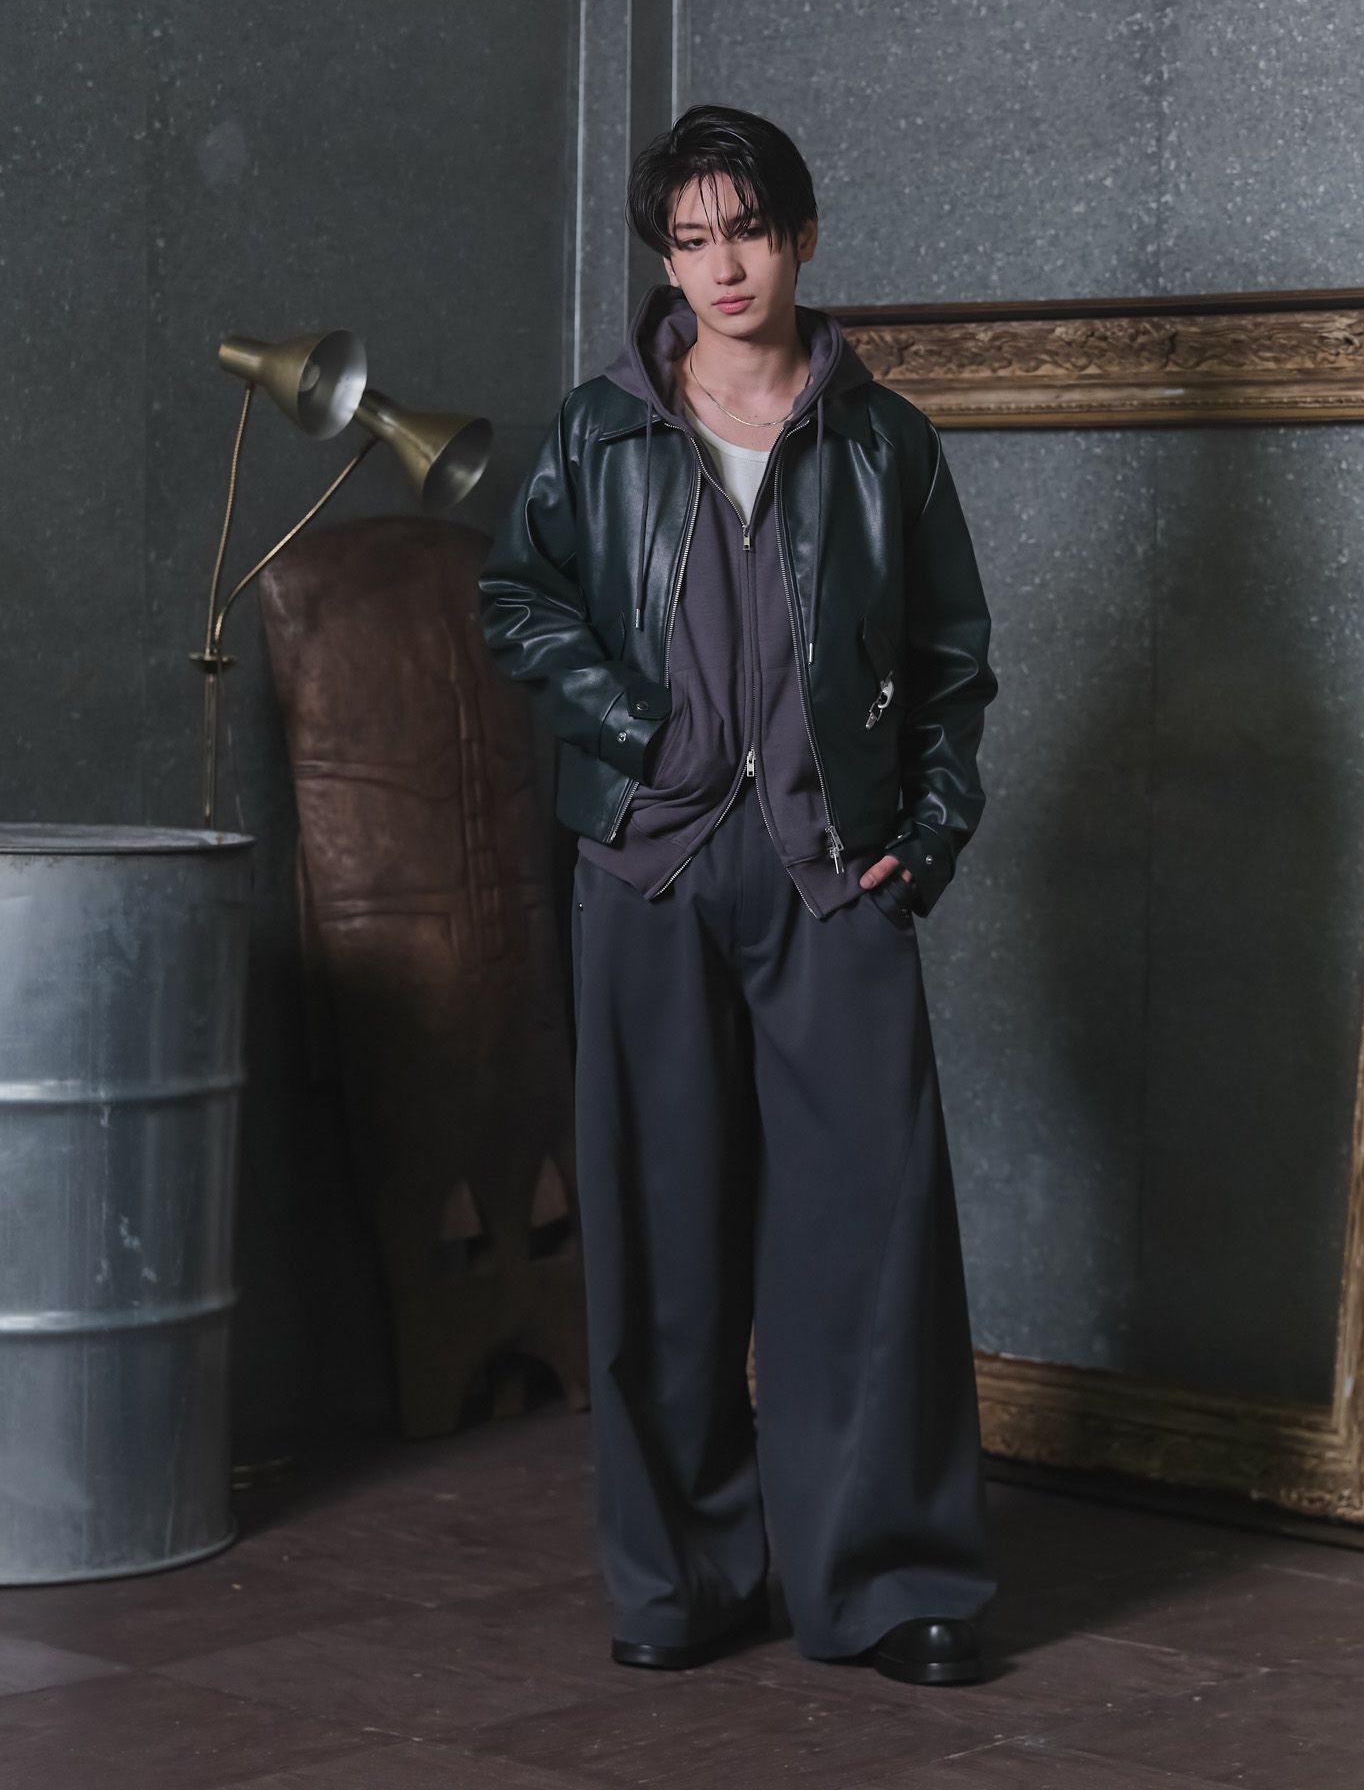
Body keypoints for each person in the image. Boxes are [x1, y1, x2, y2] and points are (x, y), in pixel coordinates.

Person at [478, 103, 999, 1687]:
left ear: (802, 239)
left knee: (870, 1237)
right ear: (666, 254)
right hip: (649, 865)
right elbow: (518, 598)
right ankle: (683, 1584)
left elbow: (955, 670)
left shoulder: (884, 443)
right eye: (690, 239)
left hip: (831, 874)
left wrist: (930, 835)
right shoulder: (601, 431)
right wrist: (640, 731)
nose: (721, 267)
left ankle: (888, 1584)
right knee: (661, 1239)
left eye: (748, 232)